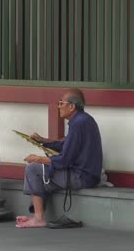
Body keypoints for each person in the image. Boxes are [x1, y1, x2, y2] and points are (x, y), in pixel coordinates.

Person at [16, 88, 103, 228]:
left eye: (61, 103)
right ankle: (37, 215)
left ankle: (38, 218)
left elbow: (64, 160)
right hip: (87, 175)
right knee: (40, 175)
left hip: (81, 177)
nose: (58, 106)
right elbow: (65, 145)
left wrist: (38, 159)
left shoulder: (78, 123)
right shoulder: (84, 120)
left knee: (33, 170)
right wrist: (42, 141)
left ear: (72, 106)